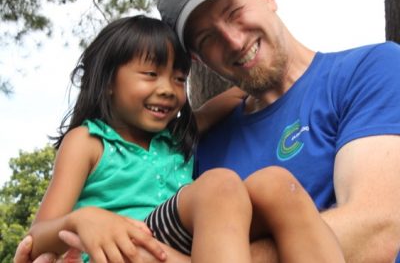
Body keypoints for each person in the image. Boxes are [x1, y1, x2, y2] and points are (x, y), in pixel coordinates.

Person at [15, 14, 345, 263]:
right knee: (219, 185)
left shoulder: (173, 138)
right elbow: (36, 237)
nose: (168, 90)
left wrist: (276, 69)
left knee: (277, 183)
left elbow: (236, 95)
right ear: (108, 81)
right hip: (123, 247)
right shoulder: (89, 141)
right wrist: (81, 219)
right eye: (150, 74)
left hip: (184, 239)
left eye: (178, 79)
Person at [156, 0, 400, 262]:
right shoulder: (201, 148)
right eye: (207, 38)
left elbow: (377, 231)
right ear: (199, 59)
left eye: (233, 11)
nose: (234, 41)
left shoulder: (371, 70)